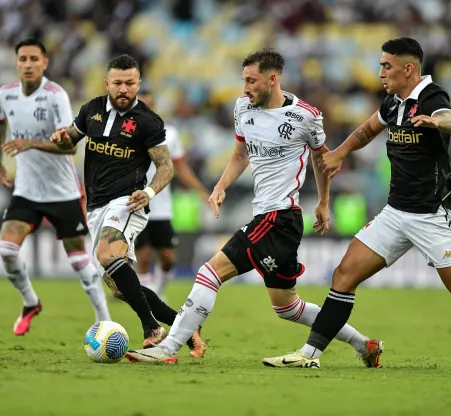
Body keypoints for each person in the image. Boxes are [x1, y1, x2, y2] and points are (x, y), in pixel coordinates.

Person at [263, 38, 451, 374]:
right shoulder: (394, 101)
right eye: (380, 65)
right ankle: (310, 353)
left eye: (387, 66)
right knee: (344, 274)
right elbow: (368, 129)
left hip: (430, 216)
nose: (380, 72)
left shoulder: (431, 96)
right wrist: (339, 153)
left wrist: (437, 123)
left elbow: (449, 118)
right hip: (395, 214)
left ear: (408, 69)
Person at [123, 49, 382, 366]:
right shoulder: (242, 107)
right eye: (243, 80)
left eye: (251, 80)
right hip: (268, 218)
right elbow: (240, 155)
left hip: (280, 217)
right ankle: (364, 345)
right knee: (287, 307)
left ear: (272, 80)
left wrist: (324, 202)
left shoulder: (305, 115)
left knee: (209, 272)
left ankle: (167, 348)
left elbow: (321, 158)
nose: (244, 87)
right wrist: (220, 186)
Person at [50, 54, 205, 357]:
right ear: (107, 82)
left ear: (138, 84)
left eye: (130, 83)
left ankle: (151, 328)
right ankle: (185, 328)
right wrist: (61, 138)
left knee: (107, 253)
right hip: (96, 206)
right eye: (118, 83)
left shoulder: (148, 121)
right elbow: (70, 139)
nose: (124, 89)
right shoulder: (91, 110)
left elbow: (165, 167)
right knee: (121, 287)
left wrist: (148, 192)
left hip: (127, 202)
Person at [0, 38, 110, 336]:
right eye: (23, 59)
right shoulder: (5, 95)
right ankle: (30, 302)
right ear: (16, 62)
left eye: (34, 59)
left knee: (79, 262)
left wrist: (30, 143)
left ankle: (104, 322)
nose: (28, 64)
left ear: (45, 63)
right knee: (7, 250)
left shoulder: (55, 96)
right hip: (27, 190)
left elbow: (70, 146)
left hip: (63, 191)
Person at [133, 89, 210, 301]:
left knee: (169, 259)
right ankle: (149, 300)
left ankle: (157, 290)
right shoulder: (127, 132)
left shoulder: (169, 133)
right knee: (145, 257)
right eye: (141, 105)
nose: (145, 109)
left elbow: (181, 168)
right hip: (137, 205)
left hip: (162, 207)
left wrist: (202, 191)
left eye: (149, 104)